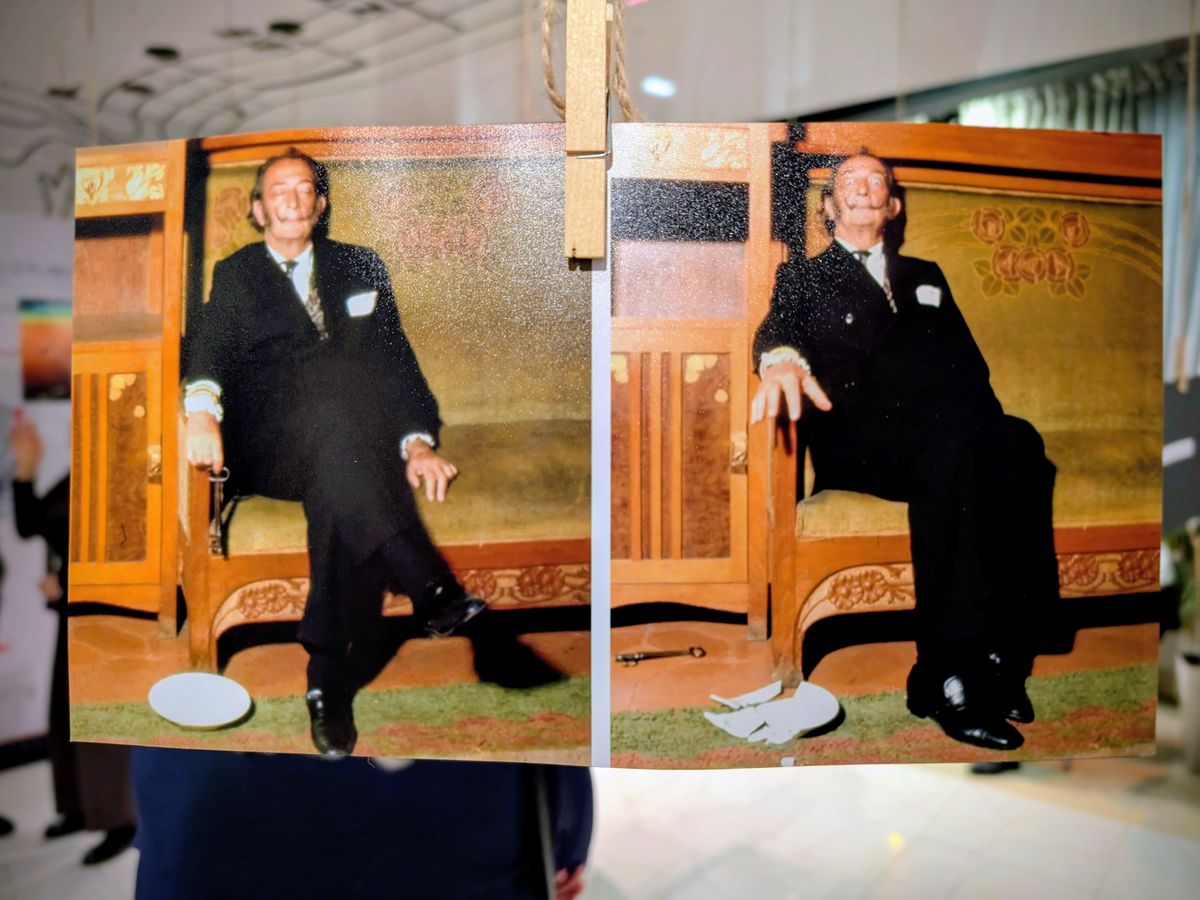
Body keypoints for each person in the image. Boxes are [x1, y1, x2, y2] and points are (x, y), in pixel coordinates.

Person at [751, 152, 1059, 751]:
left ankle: (999, 657)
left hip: (942, 440)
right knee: (959, 449)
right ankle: (947, 672)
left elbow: (970, 369)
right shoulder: (803, 277)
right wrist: (779, 360)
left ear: (892, 205)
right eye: (850, 180)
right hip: (861, 445)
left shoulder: (927, 274)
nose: (865, 188)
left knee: (1018, 440)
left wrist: (984, 434)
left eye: (878, 181)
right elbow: (776, 329)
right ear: (830, 206)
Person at [183, 149, 486, 759]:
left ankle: (324, 682)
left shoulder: (360, 265)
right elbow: (209, 345)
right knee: (332, 414)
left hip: (345, 453)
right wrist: (201, 410)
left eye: (304, 189)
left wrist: (416, 442)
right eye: (278, 190)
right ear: (257, 209)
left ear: (320, 205)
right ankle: (426, 583)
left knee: (337, 478)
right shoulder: (237, 273)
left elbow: (395, 363)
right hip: (269, 447)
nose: (292, 199)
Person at [9, 413, 137, 864]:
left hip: (107, 618)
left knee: (100, 724)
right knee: (64, 715)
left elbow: (122, 550)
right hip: (74, 614)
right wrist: (27, 467)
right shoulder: (81, 475)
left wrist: (66, 583)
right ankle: (78, 808)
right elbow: (35, 523)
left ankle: (119, 820)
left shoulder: (122, 476)